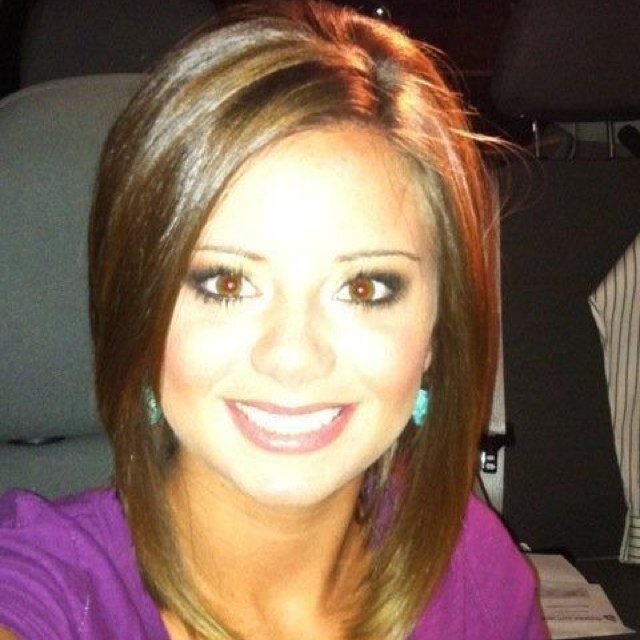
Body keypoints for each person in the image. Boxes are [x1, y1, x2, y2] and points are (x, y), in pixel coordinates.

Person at [0, 1, 548, 638]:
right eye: (228, 283)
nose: (292, 357)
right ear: (141, 312)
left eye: (364, 287)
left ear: (435, 334)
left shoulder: (472, 565)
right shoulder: (44, 593)